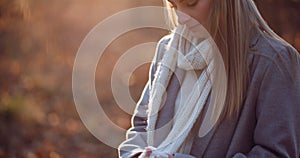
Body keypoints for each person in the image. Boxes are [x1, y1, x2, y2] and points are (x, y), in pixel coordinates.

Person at [118, 0, 300, 157]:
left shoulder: (273, 61)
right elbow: (142, 125)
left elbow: (276, 153)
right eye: (174, 6)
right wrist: (136, 155)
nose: (181, 18)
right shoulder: (167, 50)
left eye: (191, 3)